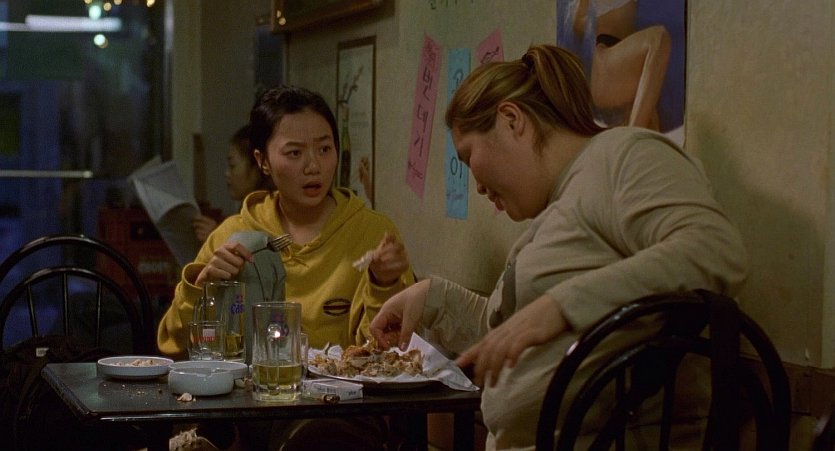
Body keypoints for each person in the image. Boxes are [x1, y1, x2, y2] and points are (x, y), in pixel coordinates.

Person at [369, 44, 747, 450]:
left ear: (512, 120)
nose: (476, 186)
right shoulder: (559, 205)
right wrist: (433, 298)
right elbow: (519, 336)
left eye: (468, 156)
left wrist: (560, 306)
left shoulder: (624, 156)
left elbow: (714, 248)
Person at [158, 85, 415, 450]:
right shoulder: (234, 236)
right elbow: (171, 346)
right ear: (263, 161)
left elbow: (390, 357)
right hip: (248, 409)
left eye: (324, 149)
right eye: (295, 153)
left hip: (340, 412)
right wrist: (205, 288)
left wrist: (384, 284)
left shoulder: (371, 233)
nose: (314, 166)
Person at [571, 0, 672, 130]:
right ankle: (632, 134)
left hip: (629, 64)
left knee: (652, 128)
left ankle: (633, 134)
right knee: (659, 37)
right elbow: (578, 26)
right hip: (607, 63)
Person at [191, 124, 274, 242]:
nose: (227, 173)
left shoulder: (268, 214)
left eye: (232, 166)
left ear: (257, 167)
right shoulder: (245, 211)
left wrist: (218, 238)